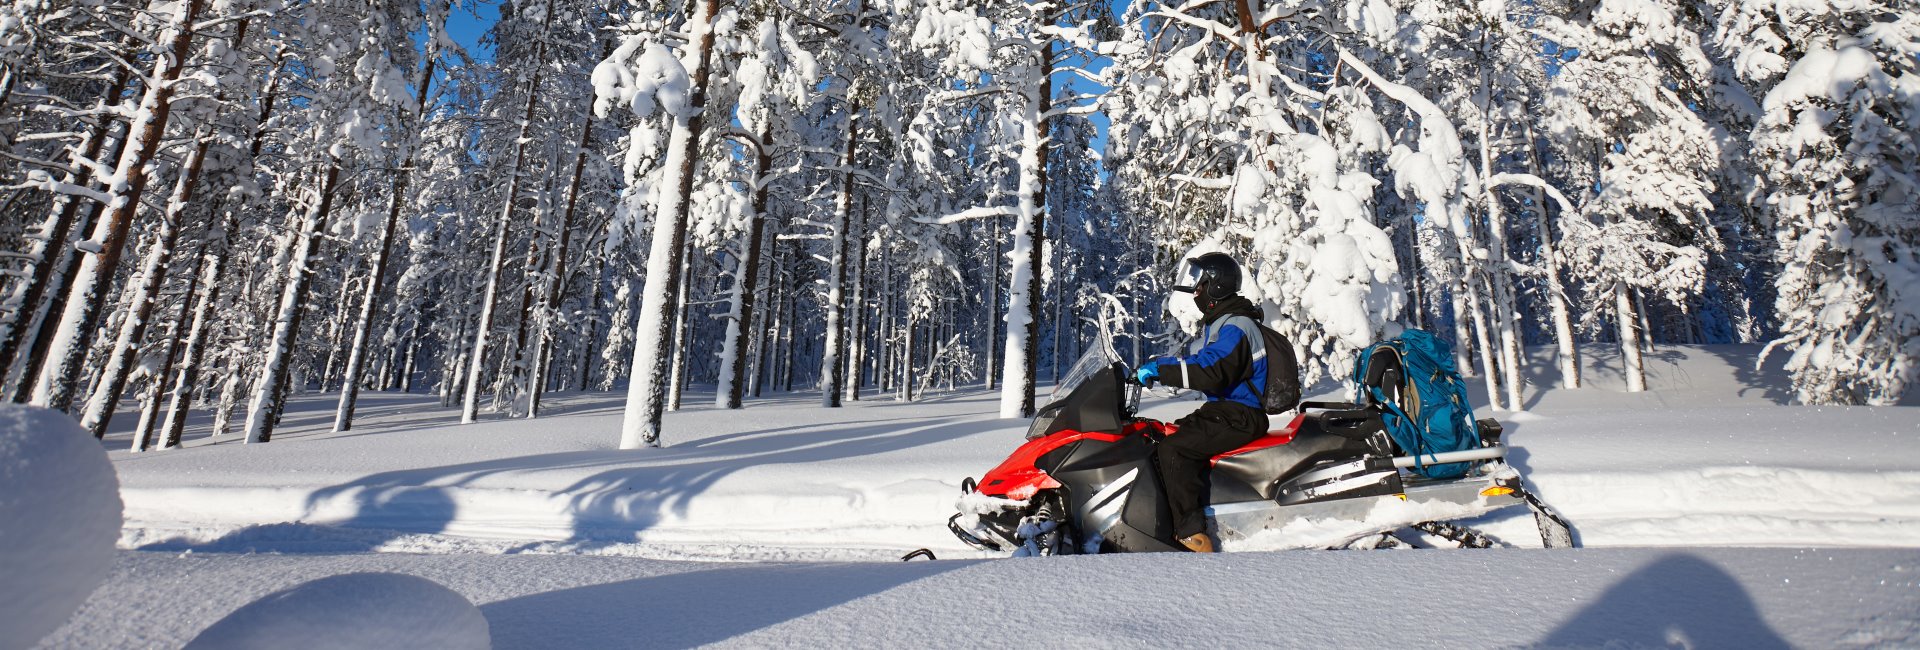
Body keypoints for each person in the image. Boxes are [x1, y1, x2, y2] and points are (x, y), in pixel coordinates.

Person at [1133, 253, 1269, 553]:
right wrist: (1158, 365)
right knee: (1162, 435)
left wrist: (1162, 371)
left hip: (1240, 414)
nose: (1196, 293)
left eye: (1199, 286)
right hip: (1227, 411)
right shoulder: (1225, 323)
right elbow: (1203, 360)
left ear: (1215, 287)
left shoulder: (1237, 326)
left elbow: (1210, 370)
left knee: (1175, 448)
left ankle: (1192, 535)